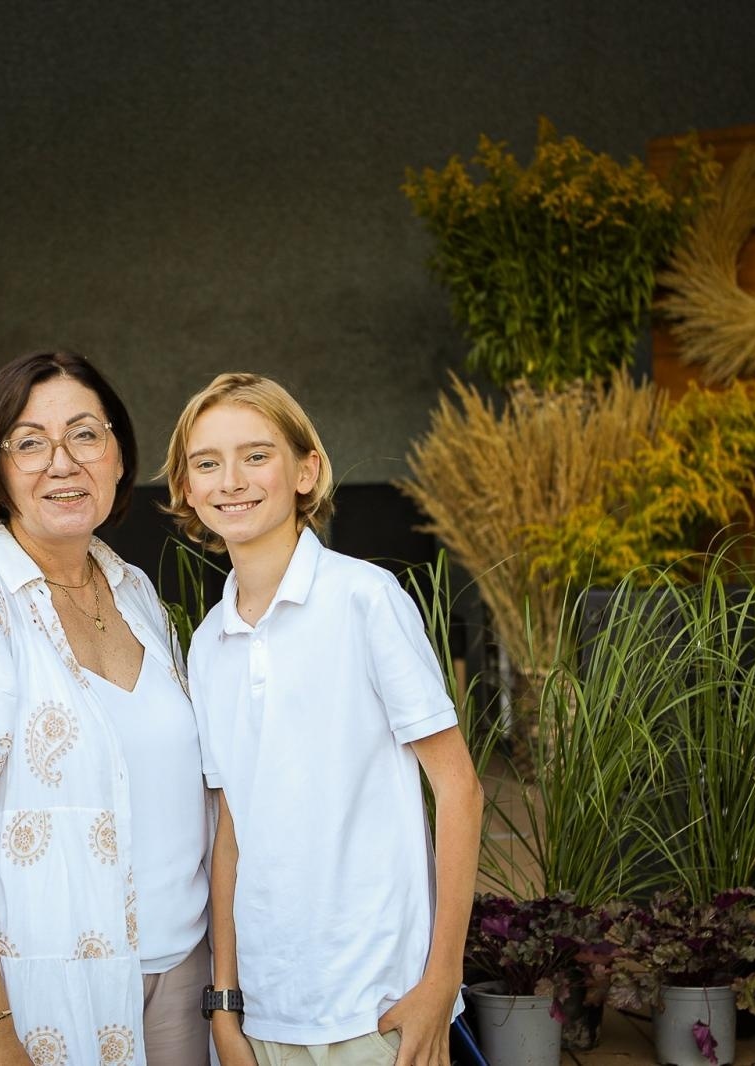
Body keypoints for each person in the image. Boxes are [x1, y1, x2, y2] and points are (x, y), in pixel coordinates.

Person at [0, 350, 212, 1066]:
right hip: (40, 999)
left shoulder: (137, 594)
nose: (63, 462)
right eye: (29, 442)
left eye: (85, 434)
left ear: (119, 457)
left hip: (179, 978)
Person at [161, 372, 484, 1066]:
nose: (232, 480)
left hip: (382, 1003)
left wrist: (440, 982)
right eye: (207, 462)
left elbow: (460, 789)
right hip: (267, 1014)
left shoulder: (366, 601)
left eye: (257, 454)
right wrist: (225, 1003)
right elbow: (230, 832)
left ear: (306, 470)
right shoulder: (208, 643)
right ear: (186, 489)